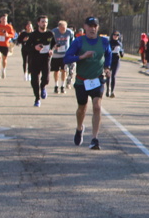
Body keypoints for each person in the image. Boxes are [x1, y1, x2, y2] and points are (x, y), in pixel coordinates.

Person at [64, 17, 112, 150]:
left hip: (97, 80)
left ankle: (94, 139)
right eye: (90, 26)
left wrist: (107, 68)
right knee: (82, 108)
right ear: (85, 27)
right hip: (82, 81)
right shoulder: (79, 41)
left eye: (95, 26)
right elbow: (66, 58)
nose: (92, 28)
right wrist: (82, 56)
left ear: (98, 27)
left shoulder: (104, 41)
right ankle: (79, 128)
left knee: (97, 106)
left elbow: (108, 55)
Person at [24, 16, 55, 106]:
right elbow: (26, 47)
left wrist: (51, 50)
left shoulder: (50, 34)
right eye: (42, 22)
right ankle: (37, 99)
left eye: (46, 22)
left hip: (46, 59)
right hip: (34, 60)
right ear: (38, 23)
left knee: (46, 79)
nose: (44, 24)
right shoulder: (33, 35)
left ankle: (43, 87)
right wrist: (35, 47)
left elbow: (53, 44)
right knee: (34, 81)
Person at [51, 20, 74, 94]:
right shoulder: (53, 32)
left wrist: (72, 51)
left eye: (64, 29)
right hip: (56, 54)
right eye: (61, 29)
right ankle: (56, 85)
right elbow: (49, 42)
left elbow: (72, 42)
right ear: (58, 27)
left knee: (64, 70)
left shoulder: (69, 32)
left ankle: (62, 86)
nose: (63, 30)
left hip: (65, 54)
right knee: (56, 71)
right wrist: (54, 46)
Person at [0, 13, 15, 79]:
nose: (4, 20)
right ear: (0, 19)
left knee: (4, 59)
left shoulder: (9, 27)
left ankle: (4, 70)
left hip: (5, 44)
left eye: (5, 19)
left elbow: (12, 35)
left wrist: (8, 35)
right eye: (3, 19)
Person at [107, 31, 123, 97]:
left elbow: (122, 52)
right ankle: (108, 89)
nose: (116, 36)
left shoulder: (119, 43)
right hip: (110, 60)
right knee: (108, 75)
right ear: (112, 35)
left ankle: (112, 91)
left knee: (113, 75)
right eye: (114, 35)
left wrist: (122, 53)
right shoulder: (109, 42)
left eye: (117, 35)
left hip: (116, 60)